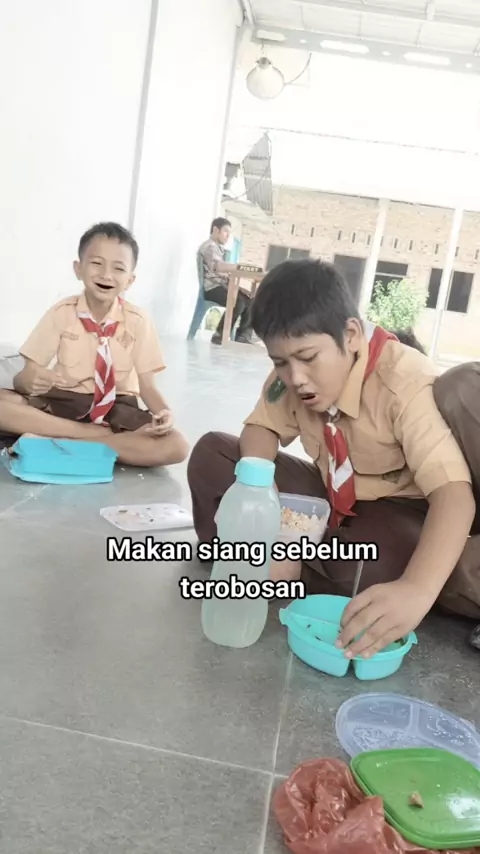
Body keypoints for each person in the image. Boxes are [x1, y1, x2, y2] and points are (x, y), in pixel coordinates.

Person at [187, 258, 480, 657]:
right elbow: (261, 428)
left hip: (394, 509)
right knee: (214, 454)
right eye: (279, 362)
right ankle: (270, 559)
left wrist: (416, 589)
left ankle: (279, 567)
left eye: (308, 358)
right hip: (330, 495)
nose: (296, 378)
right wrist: (263, 499)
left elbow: (453, 494)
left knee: (378, 563)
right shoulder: (291, 374)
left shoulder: (404, 381)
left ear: (351, 335)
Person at [0, 222, 188, 467]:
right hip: (63, 402)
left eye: (118, 268)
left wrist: (164, 412)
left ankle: (58, 442)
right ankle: (92, 438)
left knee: (176, 445)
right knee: (4, 404)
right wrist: (30, 380)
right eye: (97, 263)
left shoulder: (138, 321)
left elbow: (148, 387)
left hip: (118, 408)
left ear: (130, 280)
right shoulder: (61, 312)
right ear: (78, 269)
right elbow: (24, 379)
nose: (106, 275)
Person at [198, 218, 254, 344]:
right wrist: (238, 267)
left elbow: (224, 273)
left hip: (221, 286)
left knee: (250, 299)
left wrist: (239, 288)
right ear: (215, 230)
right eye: (225, 232)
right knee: (236, 301)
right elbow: (219, 267)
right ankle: (220, 334)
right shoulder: (209, 247)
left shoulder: (217, 248)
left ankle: (243, 336)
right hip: (212, 288)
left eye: (229, 233)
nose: (228, 236)